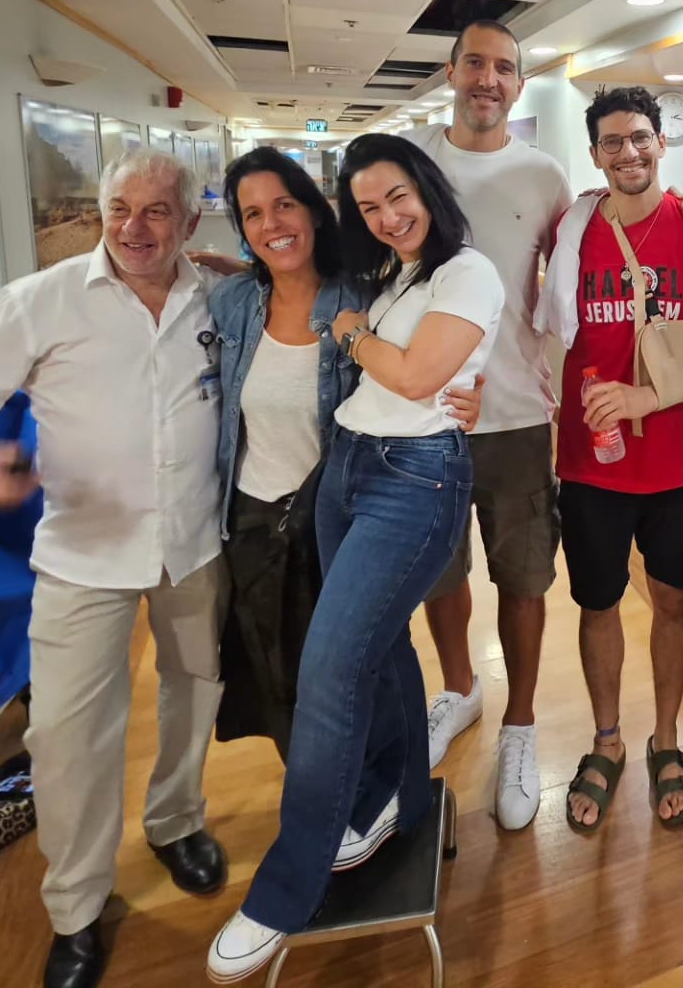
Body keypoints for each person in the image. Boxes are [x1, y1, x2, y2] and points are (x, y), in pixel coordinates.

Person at [207, 134, 503, 983]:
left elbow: (414, 377)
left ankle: (285, 888)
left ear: (427, 187)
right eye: (369, 206)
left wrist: (349, 335)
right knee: (378, 651)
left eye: (397, 195)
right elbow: (407, 368)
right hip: (348, 467)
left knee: (329, 673)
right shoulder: (393, 276)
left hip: (413, 482)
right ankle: (401, 794)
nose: (387, 215)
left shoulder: (463, 271)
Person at [0, 151, 230, 988]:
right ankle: (77, 908)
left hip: (195, 544)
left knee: (194, 695)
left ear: (189, 221)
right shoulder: (41, 299)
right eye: (119, 208)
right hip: (81, 555)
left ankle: (177, 822)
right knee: (65, 737)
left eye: (157, 211)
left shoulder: (218, 295)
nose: (134, 227)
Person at [208, 147, 480, 761]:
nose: (272, 224)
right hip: (254, 517)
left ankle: (378, 787)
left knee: (360, 665)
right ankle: (321, 782)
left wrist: (467, 395)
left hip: (343, 509)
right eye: (253, 214)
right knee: (281, 672)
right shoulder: (230, 303)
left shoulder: (366, 297)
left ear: (314, 210)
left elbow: (423, 369)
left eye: (284, 204)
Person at [541, 87, 683, 831]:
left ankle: (667, 739)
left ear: (661, 142)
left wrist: (645, 399)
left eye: (641, 136)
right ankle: (607, 739)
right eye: (613, 141)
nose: (629, 152)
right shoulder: (571, 231)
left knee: (674, 601)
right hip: (591, 463)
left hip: (677, 461)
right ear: (594, 155)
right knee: (599, 603)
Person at [404, 19, 571, 831]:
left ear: (519, 83)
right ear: (450, 71)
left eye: (505, 68)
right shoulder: (406, 164)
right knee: (440, 574)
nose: (488, 79)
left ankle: (522, 725)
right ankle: (460, 689)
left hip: (515, 415)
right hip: (421, 414)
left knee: (525, 576)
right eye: (475, 62)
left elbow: (580, 269)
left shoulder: (544, 176)